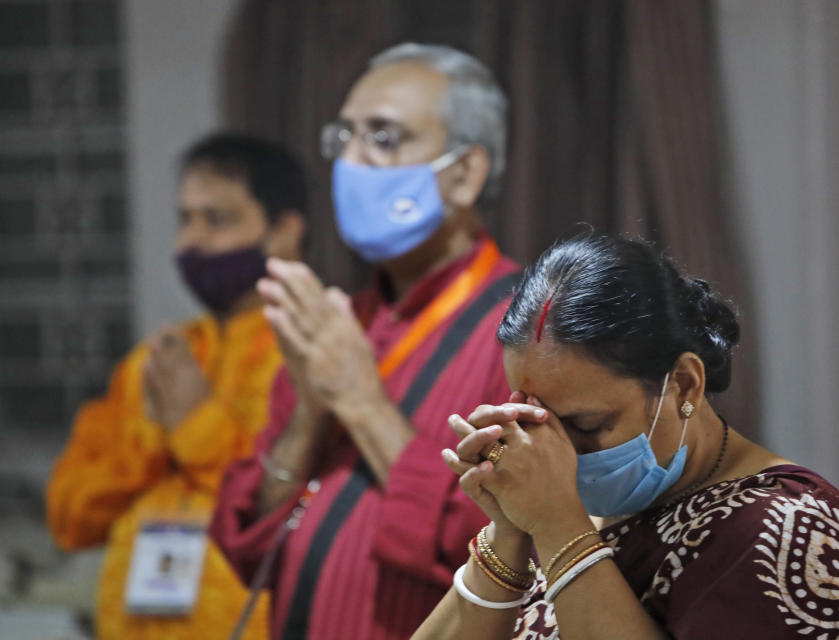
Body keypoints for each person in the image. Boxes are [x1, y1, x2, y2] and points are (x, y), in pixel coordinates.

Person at [413, 233, 839, 640]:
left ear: (684, 383)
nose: (552, 452)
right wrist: (509, 533)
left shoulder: (786, 530)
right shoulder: (580, 513)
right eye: (535, 422)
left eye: (586, 426)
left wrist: (559, 525)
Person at [210, 43, 519, 639]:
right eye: (344, 137)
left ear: (465, 173)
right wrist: (309, 413)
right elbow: (246, 542)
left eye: (383, 138)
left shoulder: (528, 329)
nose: (350, 161)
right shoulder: (341, 320)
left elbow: (498, 545)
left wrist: (361, 403)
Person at [46, 133, 309, 640]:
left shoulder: (314, 353)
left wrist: (195, 425)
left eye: (217, 220)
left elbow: (287, 510)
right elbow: (68, 518)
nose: (191, 241)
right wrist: (146, 444)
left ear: (283, 231)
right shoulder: (156, 358)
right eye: (184, 220)